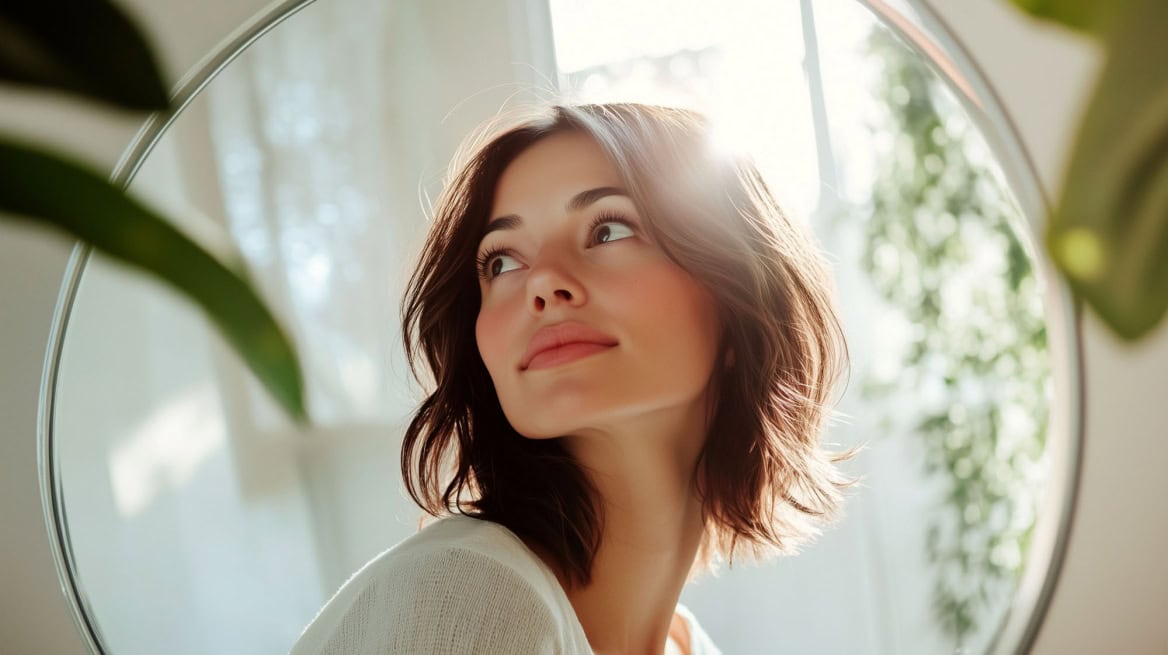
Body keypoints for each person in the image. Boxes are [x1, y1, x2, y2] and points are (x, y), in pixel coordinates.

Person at [291, 102, 864, 655]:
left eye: (608, 229)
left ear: (740, 299)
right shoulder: (469, 594)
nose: (541, 283)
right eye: (502, 261)